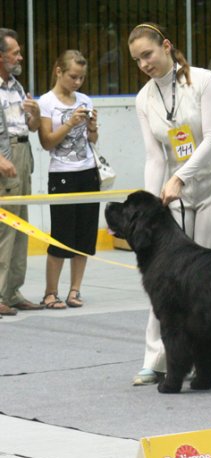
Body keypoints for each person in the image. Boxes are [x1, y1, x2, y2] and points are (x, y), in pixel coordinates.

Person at [128, 22, 211, 385]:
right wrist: (148, 206)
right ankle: (156, 357)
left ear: (166, 46)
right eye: (137, 59)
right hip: (176, 194)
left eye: (148, 54)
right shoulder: (144, 99)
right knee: (162, 278)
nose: (144, 63)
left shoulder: (204, 80)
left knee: (207, 281)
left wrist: (180, 178)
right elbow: (154, 157)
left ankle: (205, 363)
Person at [37, 50, 100, 309]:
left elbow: (93, 141)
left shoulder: (84, 99)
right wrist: (69, 123)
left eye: (82, 78)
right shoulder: (46, 102)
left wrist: (92, 127)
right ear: (58, 71)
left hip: (87, 170)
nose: (77, 82)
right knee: (61, 235)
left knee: (85, 235)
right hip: (62, 173)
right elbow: (47, 142)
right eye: (73, 76)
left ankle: (75, 290)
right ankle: (50, 292)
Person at [0, 28, 44, 317]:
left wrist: (35, 114)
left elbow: (31, 127)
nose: (20, 56)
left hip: (23, 154)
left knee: (21, 225)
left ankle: (12, 291)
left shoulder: (16, 86)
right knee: (4, 229)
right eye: (15, 52)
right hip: (5, 158)